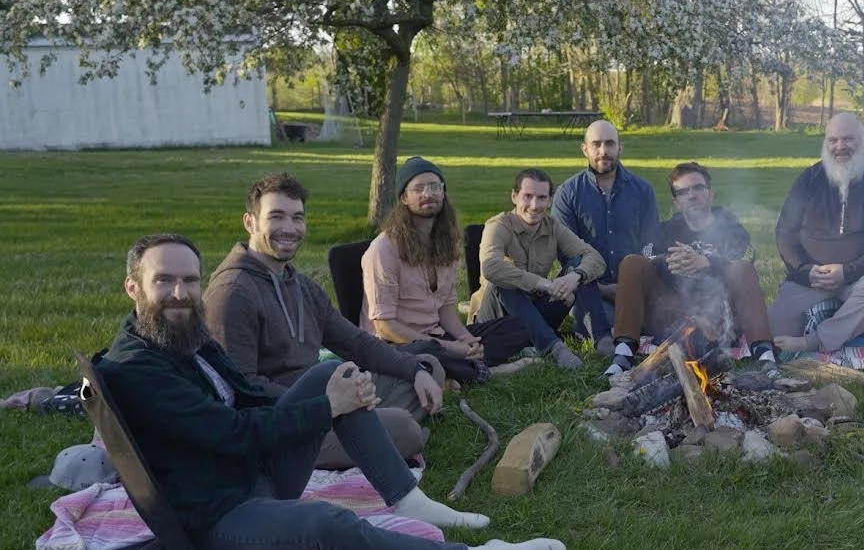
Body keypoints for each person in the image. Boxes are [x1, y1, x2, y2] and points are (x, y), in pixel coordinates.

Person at [97, 234, 567, 550]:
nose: (180, 294)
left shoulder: (183, 337)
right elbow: (233, 433)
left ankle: (409, 501)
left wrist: (338, 398)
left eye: (189, 280)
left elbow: (253, 396)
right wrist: (326, 411)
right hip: (218, 522)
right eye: (164, 281)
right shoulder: (139, 368)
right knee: (327, 520)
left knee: (330, 373)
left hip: (249, 480)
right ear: (133, 288)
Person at [203, 173, 443, 470]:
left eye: (297, 218)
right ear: (250, 222)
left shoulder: (300, 284)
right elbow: (242, 388)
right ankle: (380, 433)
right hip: (284, 426)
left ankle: (369, 429)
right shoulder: (233, 292)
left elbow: (355, 342)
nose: (289, 228)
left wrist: (413, 370)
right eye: (276, 217)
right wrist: (329, 403)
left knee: (428, 367)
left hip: (326, 401)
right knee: (404, 430)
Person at [601, 162, 777, 377]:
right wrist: (670, 259)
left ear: (710, 194)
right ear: (676, 202)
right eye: (683, 192)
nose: (691, 196)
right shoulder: (666, 230)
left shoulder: (730, 227)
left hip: (720, 319)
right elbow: (646, 254)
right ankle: (623, 354)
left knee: (742, 268)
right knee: (631, 263)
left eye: (698, 188)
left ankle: (765, 357)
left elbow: (747, 257)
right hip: (673, 317)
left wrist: (707, 262)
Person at [362, 157, 527, 382]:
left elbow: (446, 309)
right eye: (418, 188)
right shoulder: (383, 250)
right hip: (398, 343)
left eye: (434, 186)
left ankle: (461, 366)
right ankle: (484, 371)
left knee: (517, 326)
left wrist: (466, 340)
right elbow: (384, 327)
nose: (428, 194)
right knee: (427, 353)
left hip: (438, 335)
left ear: (443, 193)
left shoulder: (446, 242)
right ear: (404, 198)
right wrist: (450, 347)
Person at [769, 112, 864, 354]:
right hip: (813, 277)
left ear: (863, 138)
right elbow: (785, 232)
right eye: (833, 140)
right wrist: (805, 271)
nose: (840, 147)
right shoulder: (809, 179)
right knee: (773, 329)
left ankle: (814, 342)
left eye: (848, 139)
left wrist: (847, 272)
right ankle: (840, 325)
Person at [469, 168, 609, 371]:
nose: (534, 206)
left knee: (580, 266)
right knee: (503, 280)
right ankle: (555, 349)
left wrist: (575, 277)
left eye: (542, 198)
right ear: (514, 196)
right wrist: (543, 284)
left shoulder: (552, 226)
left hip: (535, 315)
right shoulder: (499, 225)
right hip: (495, 321)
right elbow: (491, 267)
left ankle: (603, 340)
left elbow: (595, 258)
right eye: (527, 196)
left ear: (550, 201)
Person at [551, 120, 660, 347]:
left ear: (620, 148)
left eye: (610, 144)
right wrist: (601, 289)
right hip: (590, 290)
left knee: (657, 318)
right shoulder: (568, 194)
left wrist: (631, 285)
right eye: (596, 144)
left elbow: (650, 244)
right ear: (585, 149)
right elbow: (567, 255)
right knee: (610, 321)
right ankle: (602, 335)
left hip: (634, 288)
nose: (603, 151)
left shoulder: (642, 191)